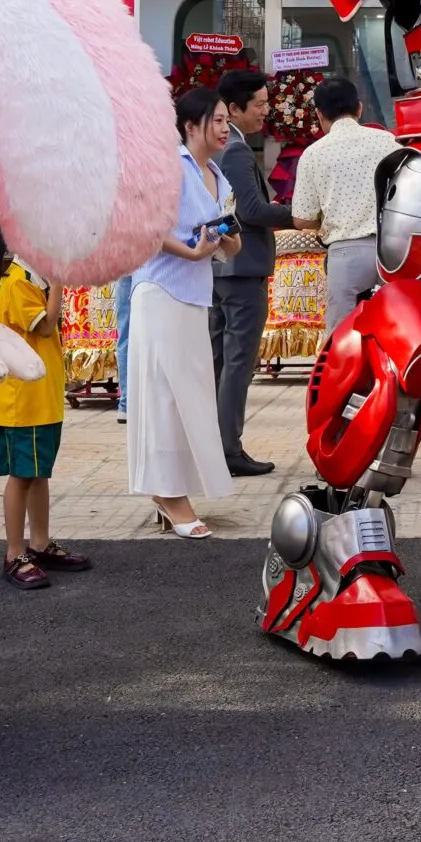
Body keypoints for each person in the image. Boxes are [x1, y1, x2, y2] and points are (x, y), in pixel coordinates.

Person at [127, 88, 241, 538]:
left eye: (227, 120)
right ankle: (168, 495)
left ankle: (173, 490)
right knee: (162, 394)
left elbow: (229, 241)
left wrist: (227, 242)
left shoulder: (219, 175)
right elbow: (146, 227)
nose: (225, 127)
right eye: (217, 120)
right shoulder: (171, 167)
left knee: (189, 396)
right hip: (161, 289)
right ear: (191, 126)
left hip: (195, 294)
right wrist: (192, 252)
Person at [211, 67, 295, 477]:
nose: (266, 110)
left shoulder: (217, 147)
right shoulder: (238, 151)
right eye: (259, 104)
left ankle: (213, 446)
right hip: (242, 271)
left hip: (221, 270)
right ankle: (228, 449)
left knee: (219, 361)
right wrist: (297, 216)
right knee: (238, 363)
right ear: (234, 108)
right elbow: (251, 210)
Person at [0, 258, 91, 588]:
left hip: (38, 398)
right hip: (22, 401)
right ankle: (14, 553)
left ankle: (40, 543)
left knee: (37, 472)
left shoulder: (31, 276)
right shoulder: (19, 280)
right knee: (22, 475)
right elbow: (45, 325)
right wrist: (59, 280)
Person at [290, 76, 403, 334]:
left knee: (342, 339)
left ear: (319, 115)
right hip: (392, 251)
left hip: (345, 256)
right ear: (359, 108)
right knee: (394, 331)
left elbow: (302, 219)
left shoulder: (314, 154)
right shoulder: (389, 142)